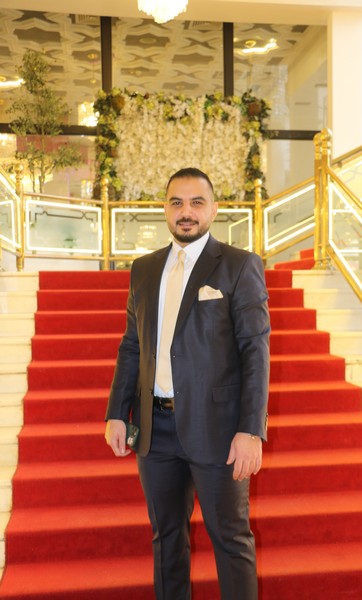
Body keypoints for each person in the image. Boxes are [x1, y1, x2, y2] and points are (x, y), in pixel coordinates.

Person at [105, 167, 270, 600]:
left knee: (231, 539)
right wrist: (116, 413)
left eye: (197, 202)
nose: (186, 212)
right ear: (164, 209)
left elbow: (255, 353)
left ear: (213, 209)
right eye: (177, 202)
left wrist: (250, 430)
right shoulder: (144, 269)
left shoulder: (239, 265)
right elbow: (131, 345)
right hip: (154, 429)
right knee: (166, 539)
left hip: (218, 429)